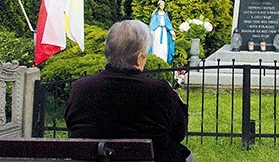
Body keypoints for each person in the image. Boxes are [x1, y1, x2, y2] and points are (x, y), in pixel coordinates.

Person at [65, 20, 192, 162]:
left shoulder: (80, 88)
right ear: (139, 59)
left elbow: (72, 125)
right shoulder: (160, 91)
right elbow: (179, 132)